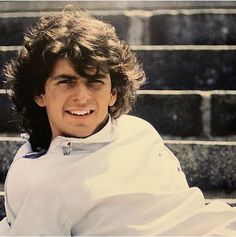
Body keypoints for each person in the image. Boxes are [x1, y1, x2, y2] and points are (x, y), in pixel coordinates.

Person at [0, 5, 235, 236]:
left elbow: (184, 210)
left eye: (95, 82)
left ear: (113, 93)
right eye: (66, 82)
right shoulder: (38, 181)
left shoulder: (139, 131)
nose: (82, 97)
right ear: (39, 94)